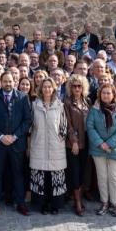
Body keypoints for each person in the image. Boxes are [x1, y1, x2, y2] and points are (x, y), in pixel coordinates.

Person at [0, 70, 32, 216]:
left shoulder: (23, 98)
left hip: (16, 143)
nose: (7, 84)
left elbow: (27, 120)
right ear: (1, 82)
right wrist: (0, 136)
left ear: (15, 82)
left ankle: (20, 203)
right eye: (5, 81)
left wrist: (15, 136)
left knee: (18, 174)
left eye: (10, 81)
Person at [87, 80, 116, 217]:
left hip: (114, 149)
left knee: (113, 177)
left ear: (113, 94)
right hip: (98, 149)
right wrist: (101, 143)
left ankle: (114, 204)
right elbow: (90, 127)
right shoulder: (94, 109)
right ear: (100, 94)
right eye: (103, 93)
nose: (106, 95)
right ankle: (104, 202)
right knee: (102, 177)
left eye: (108, 93)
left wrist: (109, 144)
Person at [30, 78, 68, 215]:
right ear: (41, 89)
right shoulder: (34, 105)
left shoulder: (60, 105)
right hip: (39, 144)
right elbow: (30, 125)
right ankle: (42, 204)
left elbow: (64, 125)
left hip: (55, 146)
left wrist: (60, 137)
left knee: (55, 176)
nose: (47, 89)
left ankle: (55, 205)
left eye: (49, 87)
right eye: (44, 87)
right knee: (41, 176)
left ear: (53, 89)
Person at [64, 74, 89, 215]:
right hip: (73, 143)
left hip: (87, 141)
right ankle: (77, 202)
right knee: (75, 171)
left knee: (83, 171)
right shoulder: (67, 102)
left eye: (79, 86)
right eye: (74, 86)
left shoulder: (87, 102)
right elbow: (68, 125)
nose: (77, 89)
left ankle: (78, 197)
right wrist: (73, 141)